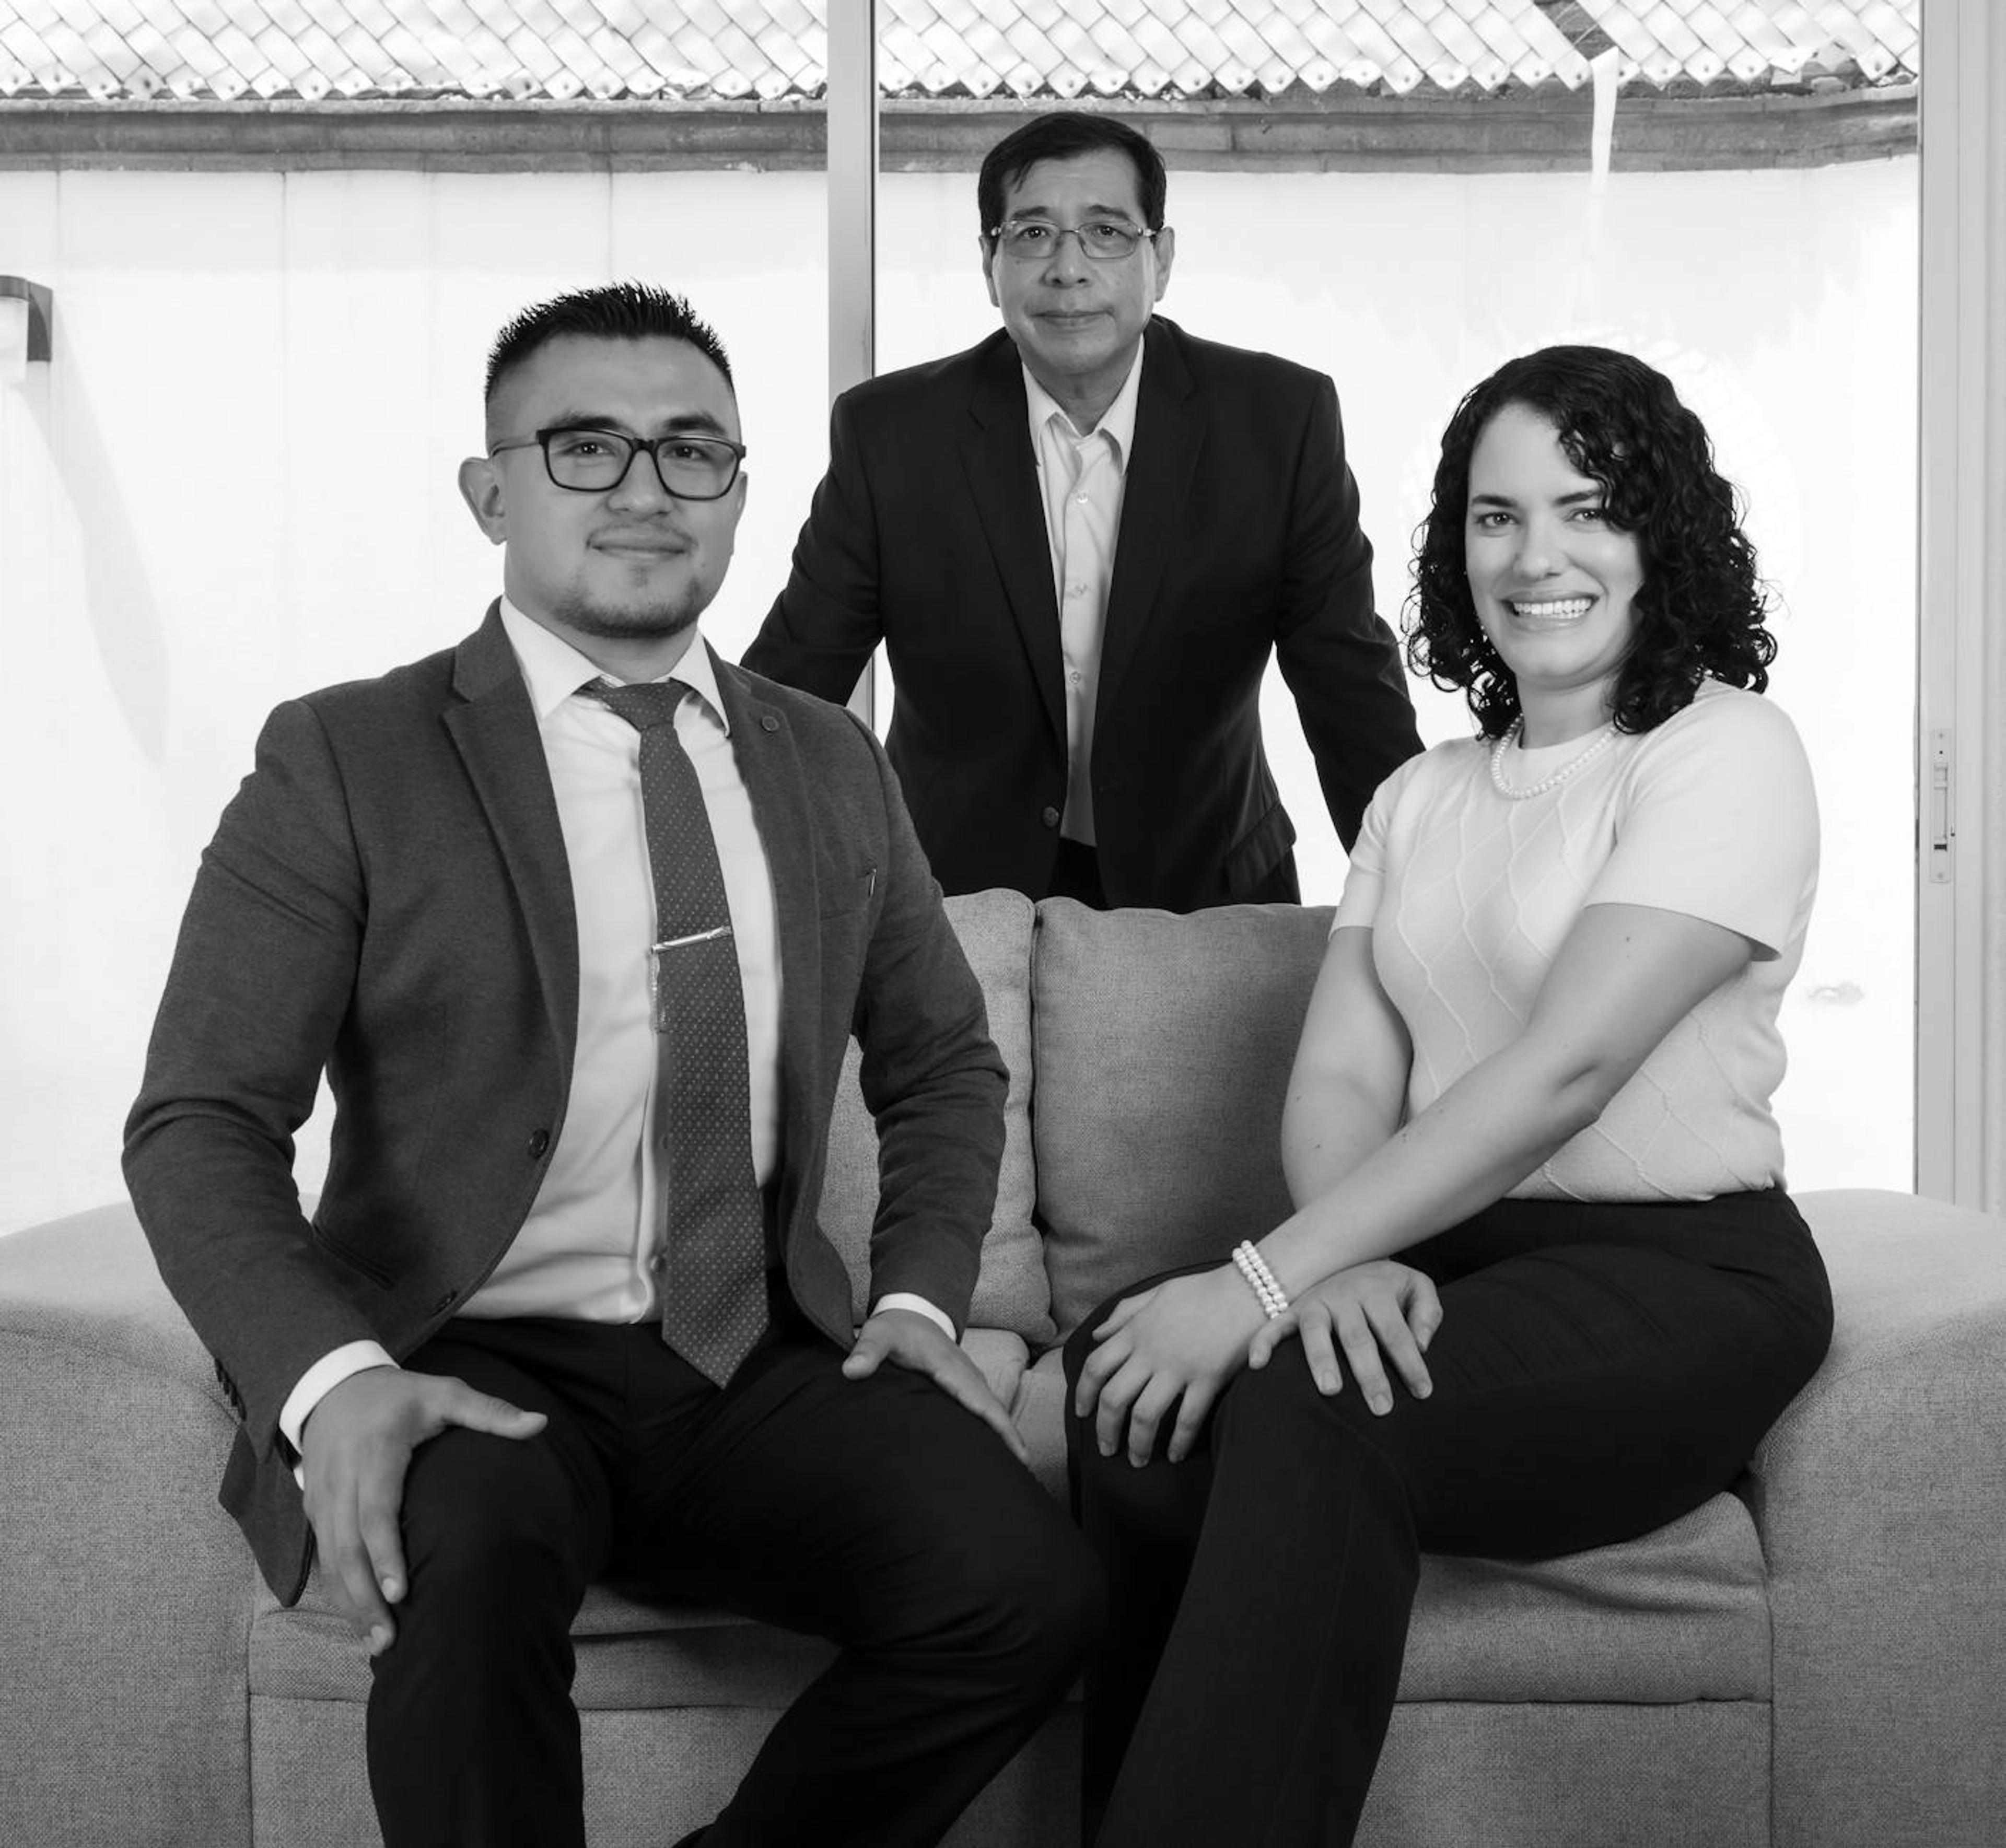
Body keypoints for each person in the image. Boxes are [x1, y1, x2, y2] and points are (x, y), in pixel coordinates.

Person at [123, 282, 1100, 1848]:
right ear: (490, 491)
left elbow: (944, 1067)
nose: (648, 491)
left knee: (1027, 1586)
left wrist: (919, 1300)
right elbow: (198, 1123)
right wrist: (340, 1384)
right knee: (461, 1568)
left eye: (694, 452)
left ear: (738, 494)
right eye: (589, 447)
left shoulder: (830, 756)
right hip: (476, 1348)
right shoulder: (346, 756)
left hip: (757, 1363)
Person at [1062, 345, 1835, 1844]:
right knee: (1127, 1382)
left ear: (1659, 529)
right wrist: (1340, 1264)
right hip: (1451, 1255)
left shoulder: (1726, 751)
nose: (1536, 555)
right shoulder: (1422, 796)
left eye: (1587, 507)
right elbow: (1347, 1067)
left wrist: (1274, 1281)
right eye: (1495, 516)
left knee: (1308, 1398)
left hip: (1684, 1278)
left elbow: (1570, 1072)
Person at [742, 110, 1421, 911]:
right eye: (1032, 234)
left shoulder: (1277, 421)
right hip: (956, 893)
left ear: (1159, 258)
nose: (1068, 268)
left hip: (1207, 880)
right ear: (989, 263)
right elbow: (793, 688)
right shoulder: (893, 436)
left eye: (1105, 231)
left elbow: (1349, 690)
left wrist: (1423, 906)